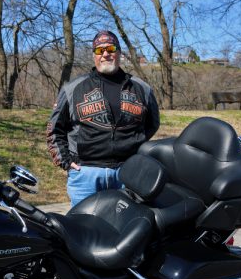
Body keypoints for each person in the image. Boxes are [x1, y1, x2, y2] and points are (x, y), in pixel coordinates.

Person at [46, 30, 160, 207]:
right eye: (99, 50)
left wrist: (133, 143)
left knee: (127, 229)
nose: (105, 54)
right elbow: (55, 128)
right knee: (84, 230)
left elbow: (153, 123)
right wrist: (66, 161)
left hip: (128, 173)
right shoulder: (73, 88)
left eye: (110, 48)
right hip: (86, 175)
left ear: (119, 53)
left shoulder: (142, 88)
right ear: (94, 56)